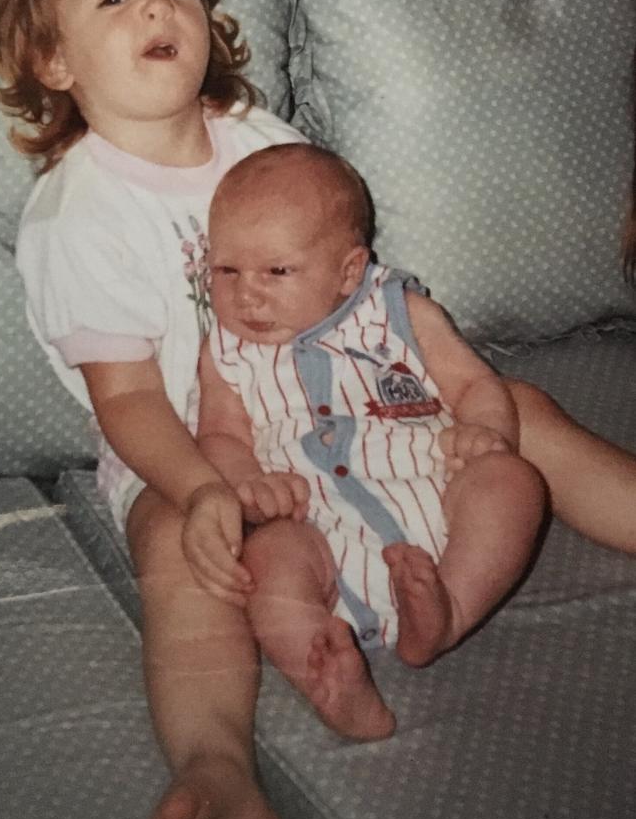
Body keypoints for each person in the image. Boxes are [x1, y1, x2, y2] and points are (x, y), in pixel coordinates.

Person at [0, 0, 636, 819]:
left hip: (351, 394)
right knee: (174, 547)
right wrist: (204, 487)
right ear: (53, 60)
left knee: (520, 414)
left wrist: (451, 399)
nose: (157, 10)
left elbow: (345, 268)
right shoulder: (80, 211)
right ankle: (221, 771)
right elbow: (129, 402)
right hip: (195, 447)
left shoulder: (250, 132)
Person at [196, 143, 545, 741]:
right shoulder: (226, 350)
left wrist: (483, 434)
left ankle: (447, 612)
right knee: (267, 561)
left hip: (438, 506)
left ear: (349, 272)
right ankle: (330, 677)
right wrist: (247, 483)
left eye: (276, 271)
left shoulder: (399, 313)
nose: (247, 294)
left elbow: (474, 383)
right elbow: (221, 434)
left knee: (515, 483)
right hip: (314, 532)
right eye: (227, 271)